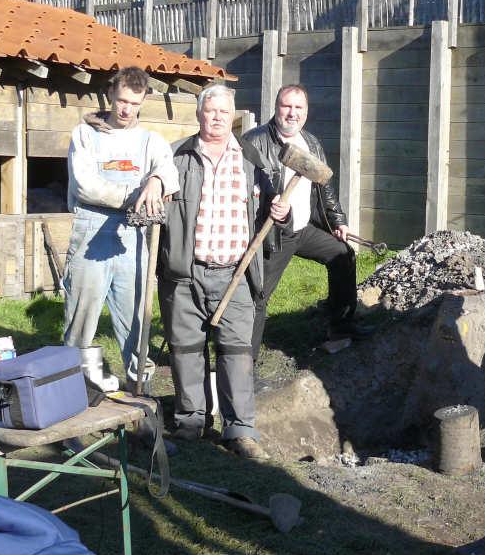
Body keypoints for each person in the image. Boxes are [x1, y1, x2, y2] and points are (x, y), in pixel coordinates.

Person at [157, 84, 289, 460]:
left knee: (236, 351)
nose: (216, 118)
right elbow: (157, 204)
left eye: (222, 111)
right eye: (209, 111)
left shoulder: (253, 158)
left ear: (233, 115)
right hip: (184, 273)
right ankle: (191, 420)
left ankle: (240, 430)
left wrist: (277, 213)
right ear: (199, 114)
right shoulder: (176, 157)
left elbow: (270, 211)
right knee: (185, 350)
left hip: (236, 273)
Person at [63, 66, 177, 391]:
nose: (126, 109)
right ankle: (72, 393)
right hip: (91, 235)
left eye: (135, 103)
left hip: (134, 241)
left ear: (143, 102)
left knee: (137, 322)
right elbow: (86, 186)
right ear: (111, 93)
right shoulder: (85, 134)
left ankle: (141, 401)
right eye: (122, 100)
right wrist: (137, 196)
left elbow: (169, 170)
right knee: (80, 320)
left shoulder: (150, 141)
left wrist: (156, 179)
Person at [244, 83, 368, 360]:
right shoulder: (254, 142)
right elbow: (242, 190)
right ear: (276, 108)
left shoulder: (310, 143)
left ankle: (341, 330)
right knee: (258, 294)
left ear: (306, 112)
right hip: (273, 232)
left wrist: (338, 220)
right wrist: (266, 207)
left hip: (303, 228)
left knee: (343, 255)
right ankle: (244, 361)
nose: (292, 113)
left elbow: (324, 186)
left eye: (298, 107)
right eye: (286, 106)